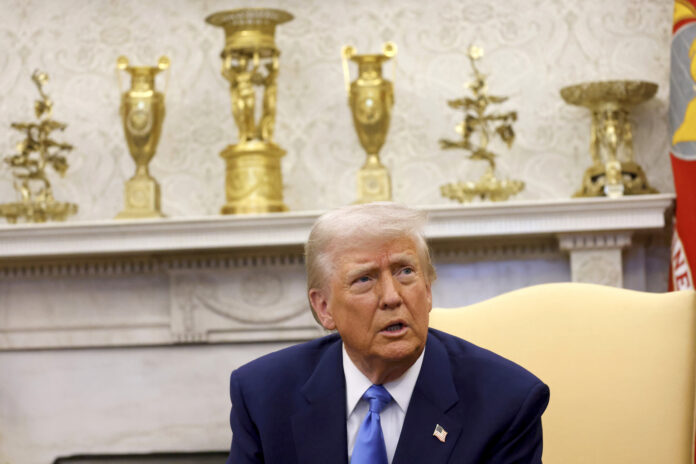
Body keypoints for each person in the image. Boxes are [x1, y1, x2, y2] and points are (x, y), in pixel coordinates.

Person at [226, 202, 549, 464]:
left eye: (405, 271)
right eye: (364, 279)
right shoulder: (263, 395)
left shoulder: (507, 401)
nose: (392, 297)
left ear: (428, 289)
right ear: (324, 308)